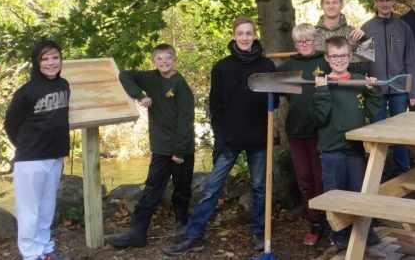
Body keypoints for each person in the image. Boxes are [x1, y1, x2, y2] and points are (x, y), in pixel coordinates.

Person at [164, 17, 275, 256]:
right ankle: (195, 236)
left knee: (259, 187)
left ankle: (258, 231)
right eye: (240, 33)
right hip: (230, 140)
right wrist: (220, 139)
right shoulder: (222, 67)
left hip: (258, 139)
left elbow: (273, 103)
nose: (245, 37)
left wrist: (277, 92)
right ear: (234, 36)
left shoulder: (266, 65)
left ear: (254, 36)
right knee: (212, 188)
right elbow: (216, 107)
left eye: (249, 33)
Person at [109, 43, 195, 248]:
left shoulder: (180, 84)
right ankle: (136, 233)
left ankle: (182, 226)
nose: (164, 62)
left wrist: (180, 150)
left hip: (181, 150)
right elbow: (124, 76)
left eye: (168, 58)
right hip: (160, 149)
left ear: (175, 60)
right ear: (154, 61)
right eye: (159, 58)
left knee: (181, 190)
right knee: (151, 191)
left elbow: (186, 120)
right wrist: (140, 95)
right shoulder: (151, 77)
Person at [312, 36, 382, 250]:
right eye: (334, 56)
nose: (339, 60)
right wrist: (322, 91)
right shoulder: (322, 83)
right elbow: (320, 119)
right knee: (335, 192)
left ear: (350, 56)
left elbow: (372, 110)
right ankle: (339, 236)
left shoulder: (359, 79)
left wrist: (373, 91)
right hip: (332, 149)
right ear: (327, 57)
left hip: (355, 149)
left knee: (359, 191)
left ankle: (365, 232)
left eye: (343, 55)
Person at [4, 40, 71, 260]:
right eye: (45, 58)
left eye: (55, 57)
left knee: (46, 209)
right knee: (29, 211)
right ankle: (31, 255)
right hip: (31, 159)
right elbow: (11, 124)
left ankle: (45, 250)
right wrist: (25, 147)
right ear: (37, 62)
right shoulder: (26, 91)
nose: (51, 63)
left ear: (61, 59)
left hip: (55, 156)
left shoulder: (64, 85)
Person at [275, 23, 330, 246]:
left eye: (308, 40)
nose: (304, 44)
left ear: (315, 40)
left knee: (321, 178)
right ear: (295, 44)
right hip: (297, 130)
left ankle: (330, 218)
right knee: (305, 179)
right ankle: (314, 221)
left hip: (322, 130)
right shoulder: (289, 65)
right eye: (300, 41)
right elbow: (271, 88)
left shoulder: (325, 61)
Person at [361, 0, 415, 176]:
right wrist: (364, 87)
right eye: (381, 0)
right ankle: (380, 174)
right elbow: (361, 63)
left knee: (399, 134)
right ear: (375, 2)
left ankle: (404, 170)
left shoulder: (403, 28)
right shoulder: (367, 29)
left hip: (399, 89)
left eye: (388, 0)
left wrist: (413, 91)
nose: (385, 4)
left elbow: (411, 60)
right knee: (378, 134)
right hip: (376, 90)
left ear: (393, 2)